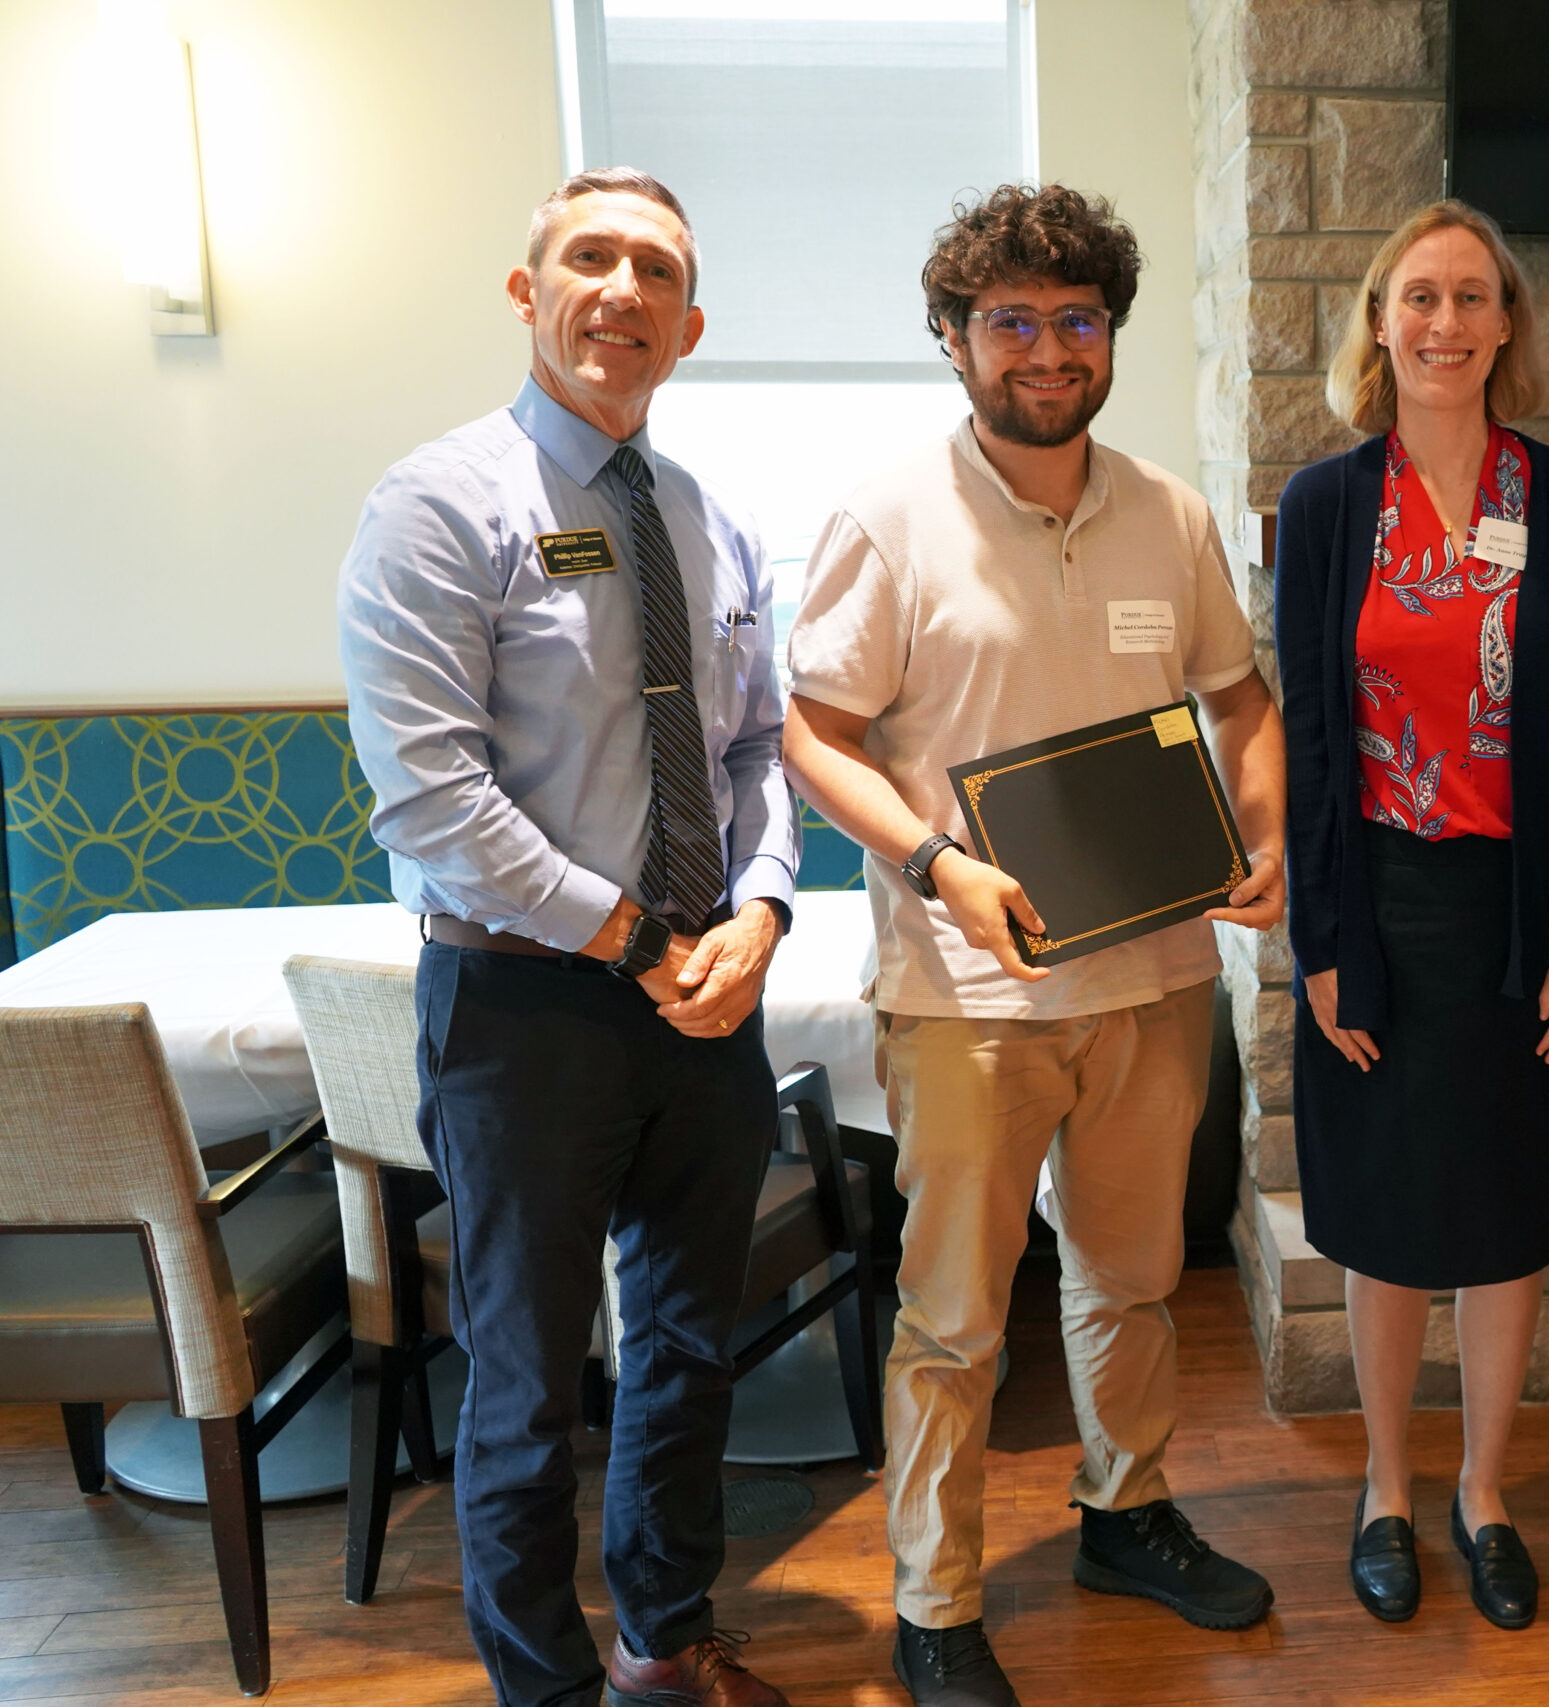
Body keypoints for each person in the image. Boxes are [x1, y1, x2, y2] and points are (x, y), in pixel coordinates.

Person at [783, 183, 1287, 1707]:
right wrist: (937, 866)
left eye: (1076, 320)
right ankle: (935, 1602)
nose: (1049, 349)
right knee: (953, 1317)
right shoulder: (886, 519)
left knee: (1134, 1280)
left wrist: (1266, 839)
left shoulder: (1170, 513)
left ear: (1109, 335)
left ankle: (1124, 1514)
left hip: (1154, 982)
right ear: (953, 338)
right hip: (969, 995)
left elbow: (1240, 703)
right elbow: (816, 736)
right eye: (1012, 320)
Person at [339, 168, 797, 1707]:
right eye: (587, 258)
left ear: (690, 324)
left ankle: (663, 1642)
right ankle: (541, 1690)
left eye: (654, 270)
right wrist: (624, 936)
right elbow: (429, 796)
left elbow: (759, 754)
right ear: (527, 292)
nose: (622, 290)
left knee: (687, 1353)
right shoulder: (437, 505)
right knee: (528, 1391)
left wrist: (765, 907)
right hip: (525, 1008)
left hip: (702, 1006)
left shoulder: (709, 519)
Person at [1273, 201, 1549, 1632]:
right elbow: (1308, 739)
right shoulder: (1325, 505)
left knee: (1507, 1214)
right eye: (1416, 296)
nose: (1443, 322)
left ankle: (1485, 1490)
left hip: (1525, 911)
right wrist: (1321, 944)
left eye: (1471, 297)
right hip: (1383, 907)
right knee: (1388, 1219)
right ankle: (1388, 1488)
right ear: (1378, 320)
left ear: (1504, 325)